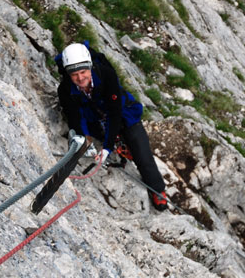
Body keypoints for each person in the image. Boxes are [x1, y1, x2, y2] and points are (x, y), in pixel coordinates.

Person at [56, 41, 169, 211]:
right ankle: (118, 142)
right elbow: (75, 118)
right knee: (96, 132)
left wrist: (107, 147)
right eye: (74, 75)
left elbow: (115, 112)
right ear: (68, 74)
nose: (80, 78)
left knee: (140, 149)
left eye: (83, 72)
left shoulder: (106, 75)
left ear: (90, 67)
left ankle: (158, 189)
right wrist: (85, 141)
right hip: (93, 118)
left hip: (122, 112)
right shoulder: (65, 90)